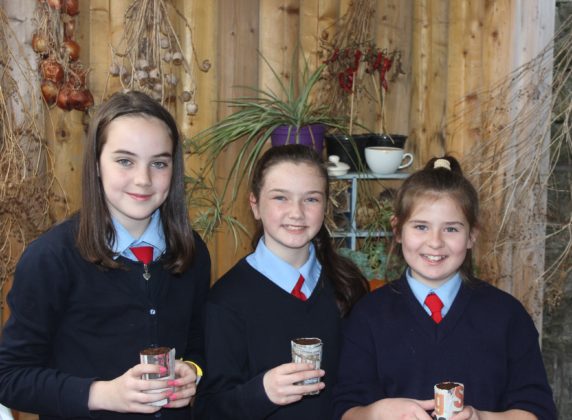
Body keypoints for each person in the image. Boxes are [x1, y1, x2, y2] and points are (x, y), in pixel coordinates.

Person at [0, 91, 211, 419]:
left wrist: (192, 372)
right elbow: (9, 377)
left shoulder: (191, 251)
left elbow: (199, 346)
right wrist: (103, 394)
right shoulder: (51, 258)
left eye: (159, 163)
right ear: (97, 165)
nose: (143, 179)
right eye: (125, 161)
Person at [333, 156, 557, 420]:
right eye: (421, 227)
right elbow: (343, 410)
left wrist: (482, 418)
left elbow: (537, 411)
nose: (435, 242)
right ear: (397, 230)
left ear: (472, 235)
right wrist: (375, 413)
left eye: (451, 229)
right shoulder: (368, 316)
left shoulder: (507, 316)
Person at [193, 144, 370, 419]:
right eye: (280, 198)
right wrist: (261, 392)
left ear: (326, 205)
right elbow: (209, 409)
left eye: (311, 199)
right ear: (255, 205)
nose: (296, 213)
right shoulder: (226, 301)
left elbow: (362, 384)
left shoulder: (349, 285)